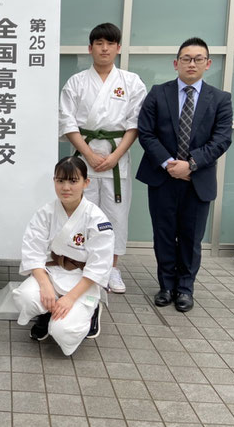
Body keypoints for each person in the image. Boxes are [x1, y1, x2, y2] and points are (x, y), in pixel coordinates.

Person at [136, 37, 233, 312]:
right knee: (164, 233)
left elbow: (222, 139)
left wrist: (189, 165)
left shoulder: (221, 99)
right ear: (175, 63)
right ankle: (166, 285)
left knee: (191, 238)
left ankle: (185, 289)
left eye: (198, 58)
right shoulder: (158, 93)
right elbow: (146, 132)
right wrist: (169, 163)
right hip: (162, 178)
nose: (192, 63)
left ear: (208, 63)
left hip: (196, 180)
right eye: (186, 58)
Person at [59, 22, 146, 294]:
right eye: (99, 43)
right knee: (79, 212)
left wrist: (116, 156)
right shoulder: (76, 82)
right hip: (83, 159)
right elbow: (66, 121)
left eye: (110, 43)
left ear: (118, 48)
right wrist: (89, 155)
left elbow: (135, 124)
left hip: (116, 160)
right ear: (90, 48)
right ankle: (80, 266)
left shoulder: (131, 82)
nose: (104, 48)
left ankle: (112, 269)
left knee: (115, 215)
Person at [12, 156, 114, 355]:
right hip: (53, 272)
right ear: (54, 182)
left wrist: (68, 299)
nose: (66, 187)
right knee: (25, 298)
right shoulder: (46, 213)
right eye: (60, 180)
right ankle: (48, 312)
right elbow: (33, 251)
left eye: (73, 181)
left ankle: (91, 311)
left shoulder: (97, 219)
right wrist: (45, 285)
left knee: (64, 331)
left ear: (86, 183)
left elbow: (99, 266)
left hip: (82, 281)